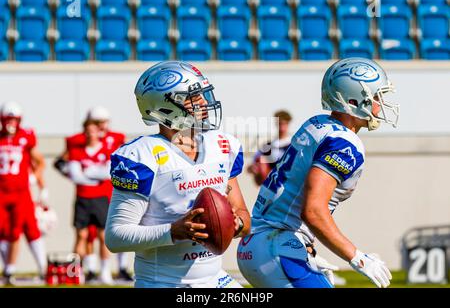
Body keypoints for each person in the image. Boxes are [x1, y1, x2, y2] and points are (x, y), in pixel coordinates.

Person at [237, 57, 400, 288]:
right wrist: (357, 257)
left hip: (258, 242)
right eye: (376, 96)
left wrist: (305, 246)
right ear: (355, 100)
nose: (380, 103)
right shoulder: (345, 143)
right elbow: (312, 210)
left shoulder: (317, 124)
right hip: (278, 247)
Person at [105, 61, 251, 288]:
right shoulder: (141, 156)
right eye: (192, 98)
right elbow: (115, 237)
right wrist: (174, 231)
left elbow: (244, 215)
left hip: (215, 279)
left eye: (203, 94)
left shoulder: (222, 145)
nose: (203, 102)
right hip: (162, 281)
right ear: (164, 107)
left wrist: (234, 223)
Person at [54, 107, 132, 282]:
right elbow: (60, 162)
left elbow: (123, 163)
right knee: (86, 234)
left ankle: (120, 268)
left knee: (115, 229)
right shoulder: (78, 143)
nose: (101, 126)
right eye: (97, 123)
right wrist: (76, 175)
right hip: (86, 194)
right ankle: (88, 270)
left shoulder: (116, 139)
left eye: (103, 122)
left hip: (110, 192)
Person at [0, 102, 48, 285]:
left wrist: (39, 183)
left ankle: (39, 269)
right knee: (3, 231)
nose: (11, 123)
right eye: (8, 119)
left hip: (21, 193)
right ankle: (8, 270)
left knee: (25, 229)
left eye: (14, 120)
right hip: (2, 192)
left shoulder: (26, 138)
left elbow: (39, 162)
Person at [66, 119, 115, 285]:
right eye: (87, 131)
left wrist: (89, 171)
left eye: (93, 130)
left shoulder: (107, 149)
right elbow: (75, 175)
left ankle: (105, 272)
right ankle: (75, 272)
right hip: (82, 198)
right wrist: (95, 174)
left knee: (103, 236)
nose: (90, 134)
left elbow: (108, 173)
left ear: (98, 132)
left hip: (101, 198)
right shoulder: (76, 151)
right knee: (81, 235)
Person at [247, 110, 292, 186]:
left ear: (288, 124)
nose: (282, 128)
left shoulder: (294, 145)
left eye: (284, 124)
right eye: (280, 124)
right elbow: (249, 168)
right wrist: (256, 169)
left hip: (288, 186)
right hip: (271, 187)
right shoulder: (268, 146)